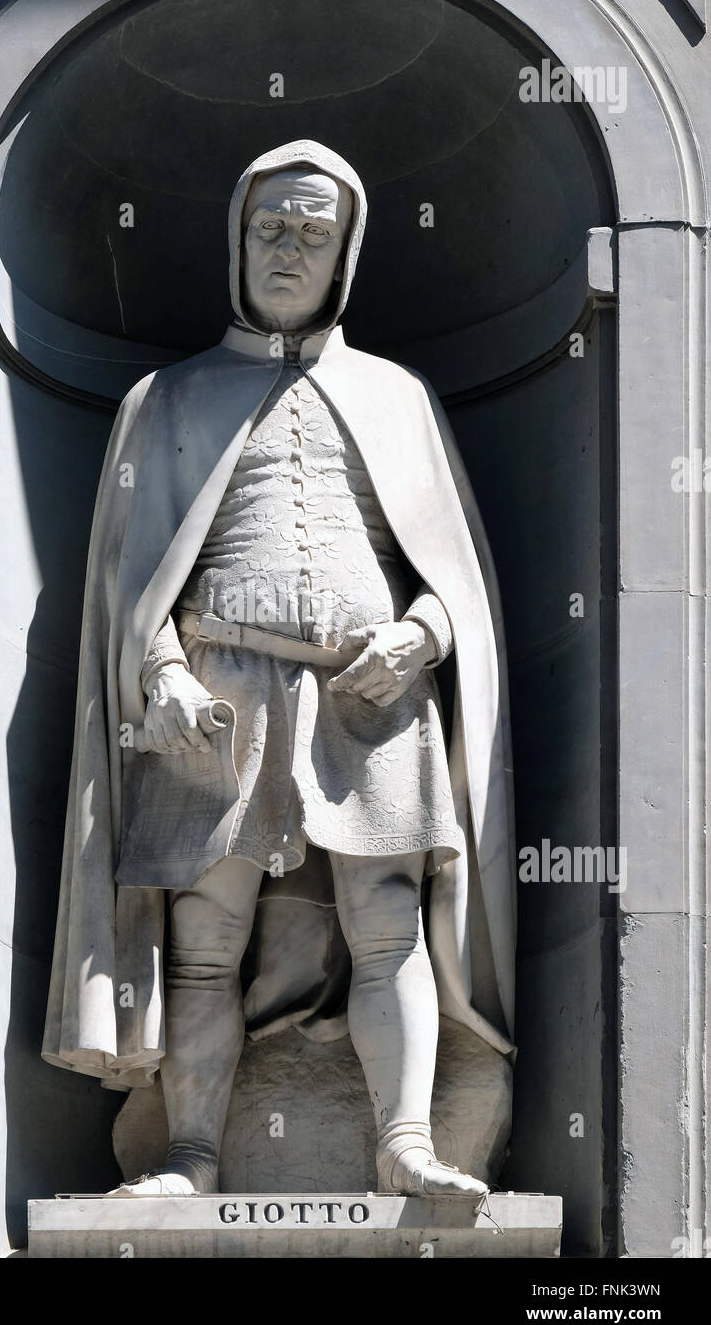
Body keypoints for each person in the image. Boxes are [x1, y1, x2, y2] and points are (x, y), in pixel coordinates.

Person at [42, 141, 516, 1201]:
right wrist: (158, 670)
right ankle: (191, 1154)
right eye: (269, 228)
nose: (287, 248)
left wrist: (424, 634)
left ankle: (403, 1143)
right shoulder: (167, 396)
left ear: (345, 249)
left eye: (311, 230)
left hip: (371, 696)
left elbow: (455, 569)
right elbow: (128, 576)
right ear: (236, 241)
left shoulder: (396, 397)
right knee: (203, 936)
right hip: (215, 694)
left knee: (388, 920)